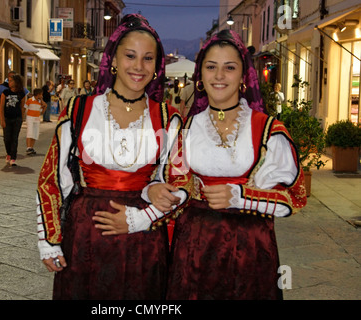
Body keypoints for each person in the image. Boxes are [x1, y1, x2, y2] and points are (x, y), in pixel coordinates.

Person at [36, 14, 182, 300]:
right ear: (113, 60)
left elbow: (180, 181)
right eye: (130, 56)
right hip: (85, 235)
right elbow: (51, 179)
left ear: (156, 67)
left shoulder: (169, 118)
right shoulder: (79, 109)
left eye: (148, 58)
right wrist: (48, 241)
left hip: (142, 233)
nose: (138, 66)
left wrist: (145, 212)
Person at [155, 29, 306, 300]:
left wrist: (240, 197)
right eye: (211, 67)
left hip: (250, 245)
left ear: (243, 76)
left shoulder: (267, 129)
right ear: (201, 75)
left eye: (230, 67)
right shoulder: (186, 127)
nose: (220, 76)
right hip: (193, 247)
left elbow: (292, 200)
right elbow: (175, 185)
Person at [0, 74, 26, 166]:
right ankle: (9, 153)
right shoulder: (5, 92)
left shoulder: (21, 93)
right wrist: (2, 119)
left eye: (11, 81)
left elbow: (22, 107)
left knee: (14, 138)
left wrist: (22, 118)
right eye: (9, 81)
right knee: (7, 138)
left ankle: (13, 157)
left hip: (17, 118)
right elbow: (1, 107)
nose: (9, 82)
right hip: (7, 118)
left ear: (16, 82)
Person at [25, 88, 47, 155]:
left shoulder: (40, 102)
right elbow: (25, 107)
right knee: (30, 132)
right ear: (38, 94)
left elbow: (44, 107)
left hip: (37, 118)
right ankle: (28, 147)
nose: (42, 96)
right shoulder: (30, 100)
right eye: (41, 95)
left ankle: (31, 147)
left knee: (35, 133)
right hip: (30, 118)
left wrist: (42, 101)